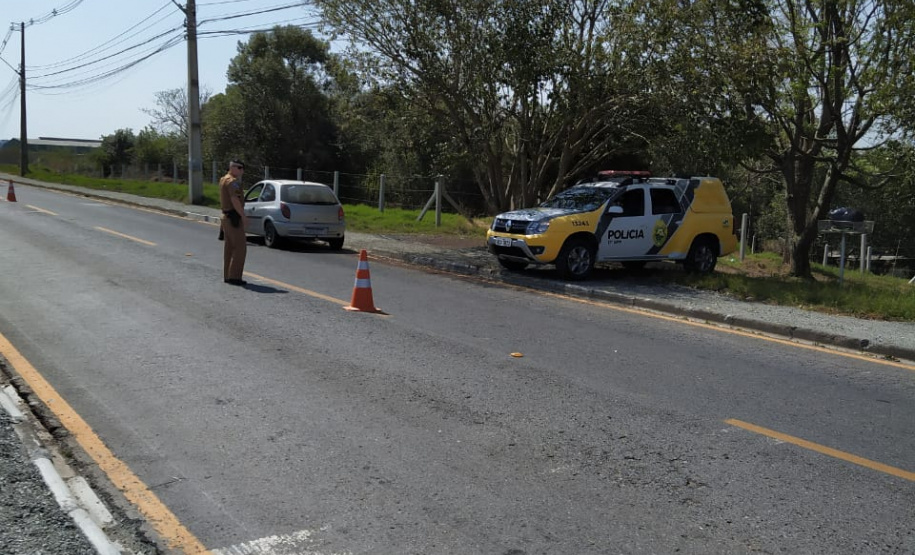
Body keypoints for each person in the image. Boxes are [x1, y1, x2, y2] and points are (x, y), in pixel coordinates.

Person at [219, 160, 248, 285]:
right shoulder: (232, 182)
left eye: (243, 168)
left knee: (229, 247)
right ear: (232, 167)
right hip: (233, 217)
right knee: (240, 247)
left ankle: (228, 275)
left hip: (227, 216)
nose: (242, 170)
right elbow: (234, 199)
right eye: (240, 168)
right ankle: (235, 277)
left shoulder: (223, 179)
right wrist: (243, 216)